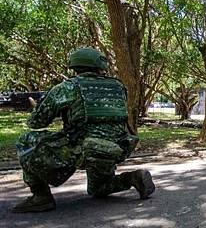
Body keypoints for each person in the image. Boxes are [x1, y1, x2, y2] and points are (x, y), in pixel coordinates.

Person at [11, 47, 155, 213]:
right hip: (114, 149)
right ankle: (133, 178)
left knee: (25, 140)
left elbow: (36, 123)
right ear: (101, 67)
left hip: (82, 149)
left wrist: (38, 108)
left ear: (75, 67)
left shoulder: (68, 88)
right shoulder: (117, 86)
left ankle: (40, 196)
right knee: (98, 189)